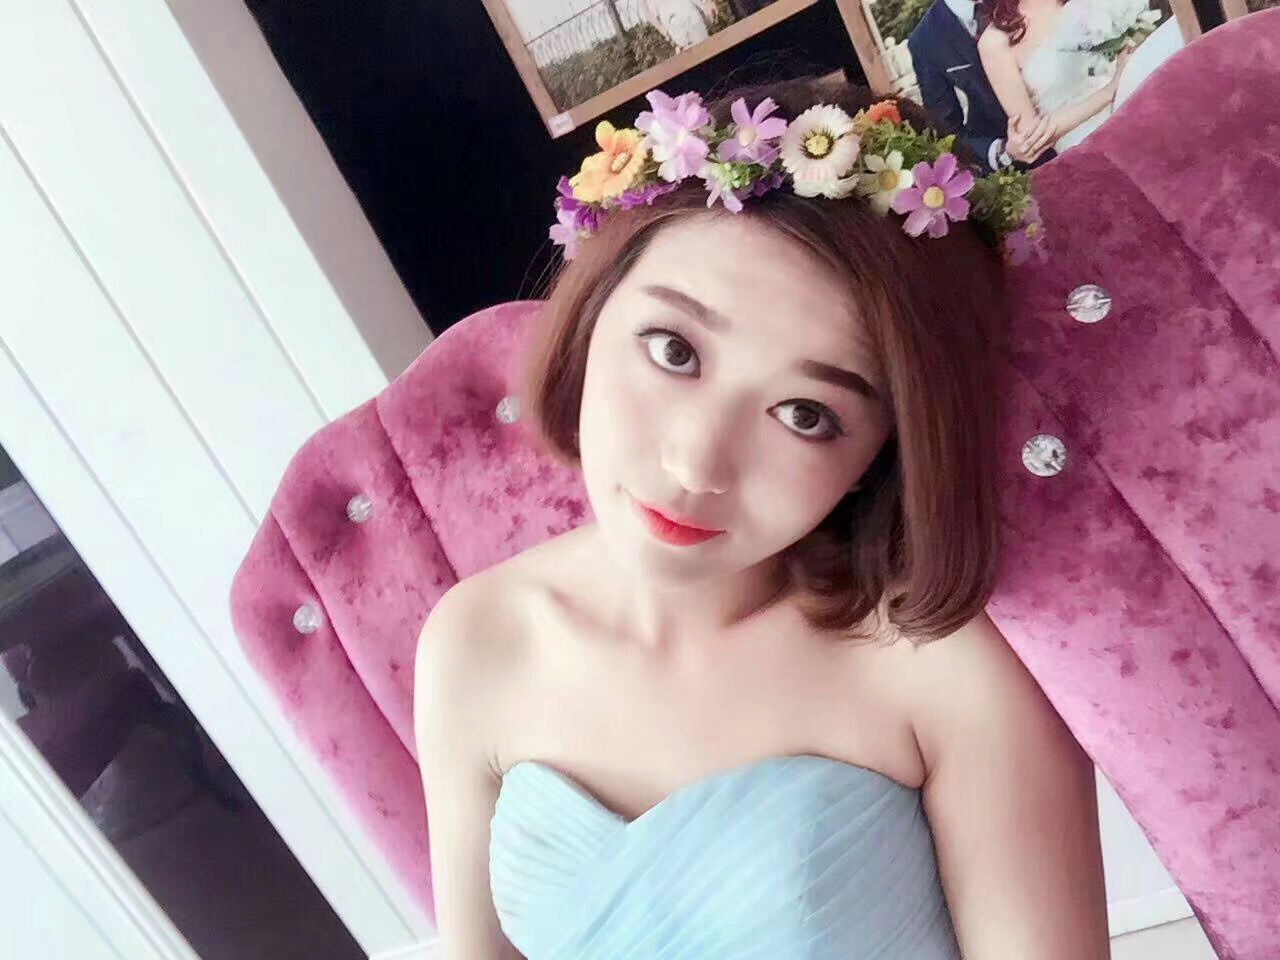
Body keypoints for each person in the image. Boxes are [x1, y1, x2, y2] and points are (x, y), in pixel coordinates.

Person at [415, 76, 1109, 959]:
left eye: (806, 414)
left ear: (881, 456)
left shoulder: (942, 673)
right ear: (591, 315)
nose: (697, 466)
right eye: (673, 350)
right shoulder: (476, 639)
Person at [977, 0, 1136, 156]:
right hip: (1092, 143)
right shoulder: (995, 41)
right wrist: (1109, 92)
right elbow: (1032, 137)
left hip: (1135, 103)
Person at [909, 0, 1051, 169]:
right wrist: (1002, 151)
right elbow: (946, 129)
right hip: (1021, 153)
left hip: (1070, 109)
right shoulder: (925, 39)